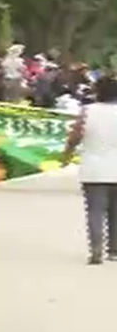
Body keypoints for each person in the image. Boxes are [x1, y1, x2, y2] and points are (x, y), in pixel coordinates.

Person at [61, 76, 117, 265]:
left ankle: (96, 250)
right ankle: (114, 250)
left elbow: (75, 136)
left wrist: (66, 155)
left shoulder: (87, 111)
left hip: (93, 169)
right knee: (115, 212)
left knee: (95, 210)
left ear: (98, 91)